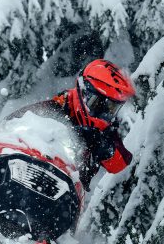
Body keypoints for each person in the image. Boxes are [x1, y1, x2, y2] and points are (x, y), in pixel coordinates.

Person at [8, 59, 136, 185]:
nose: (104, 114)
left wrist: (102, 145)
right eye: (97, 103)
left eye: (112, 108)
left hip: (69, 194)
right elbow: (10, 123)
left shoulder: (105, 130)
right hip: (28, 177)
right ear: (84, 92)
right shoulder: (54, 109)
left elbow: (120, 163)